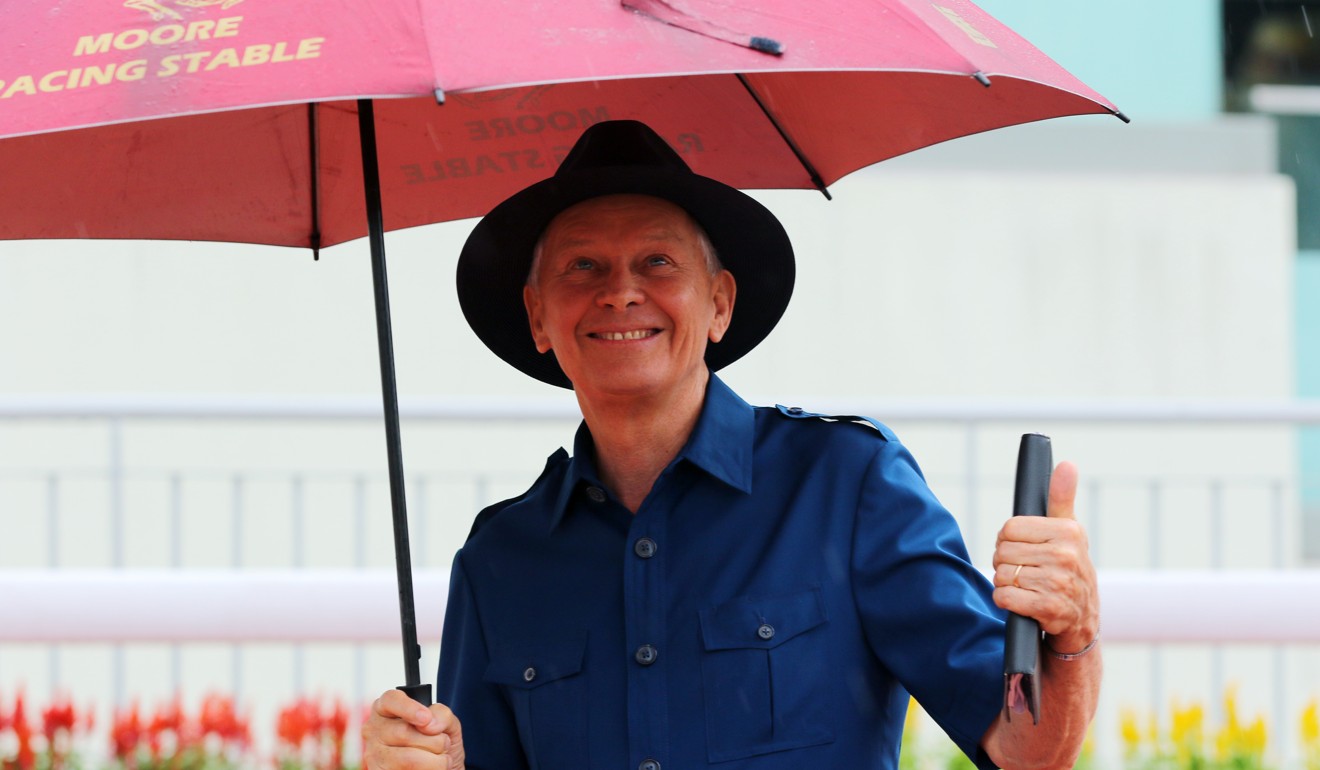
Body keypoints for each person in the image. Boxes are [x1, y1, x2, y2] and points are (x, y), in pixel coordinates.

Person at [362, 120, 1100, 770]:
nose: (620, 293)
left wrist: (1071, 633)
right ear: (538, 318)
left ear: (719, 303)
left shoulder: (847, 485)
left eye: (658, 262)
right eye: (582, 266)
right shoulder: (500, 559)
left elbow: (1026, 751)